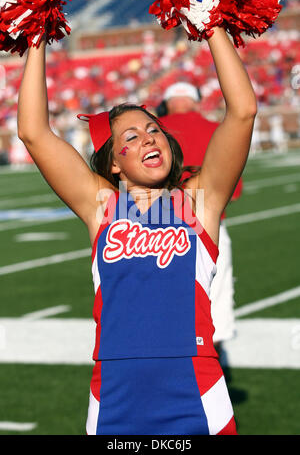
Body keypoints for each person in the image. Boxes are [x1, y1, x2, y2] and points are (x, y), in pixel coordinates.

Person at [17, 27, 257, 435]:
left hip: (193, 388)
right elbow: (34, 133)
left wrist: (212, 24)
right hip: (114, 392)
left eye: (154, 130)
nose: (150, 139)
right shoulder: (101, 209)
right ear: (113, 162)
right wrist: (37, 33)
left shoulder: (201, 200)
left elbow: (243, 112)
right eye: (132, 136)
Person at [158, 82, 243, 351]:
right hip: (208, 228)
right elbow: (234, 191)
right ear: (195, 101)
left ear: (169, 101)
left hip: (155, 230)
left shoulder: (148, 131)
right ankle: (210, 375)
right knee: (213, 309)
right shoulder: (215, 130)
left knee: (159, 311)